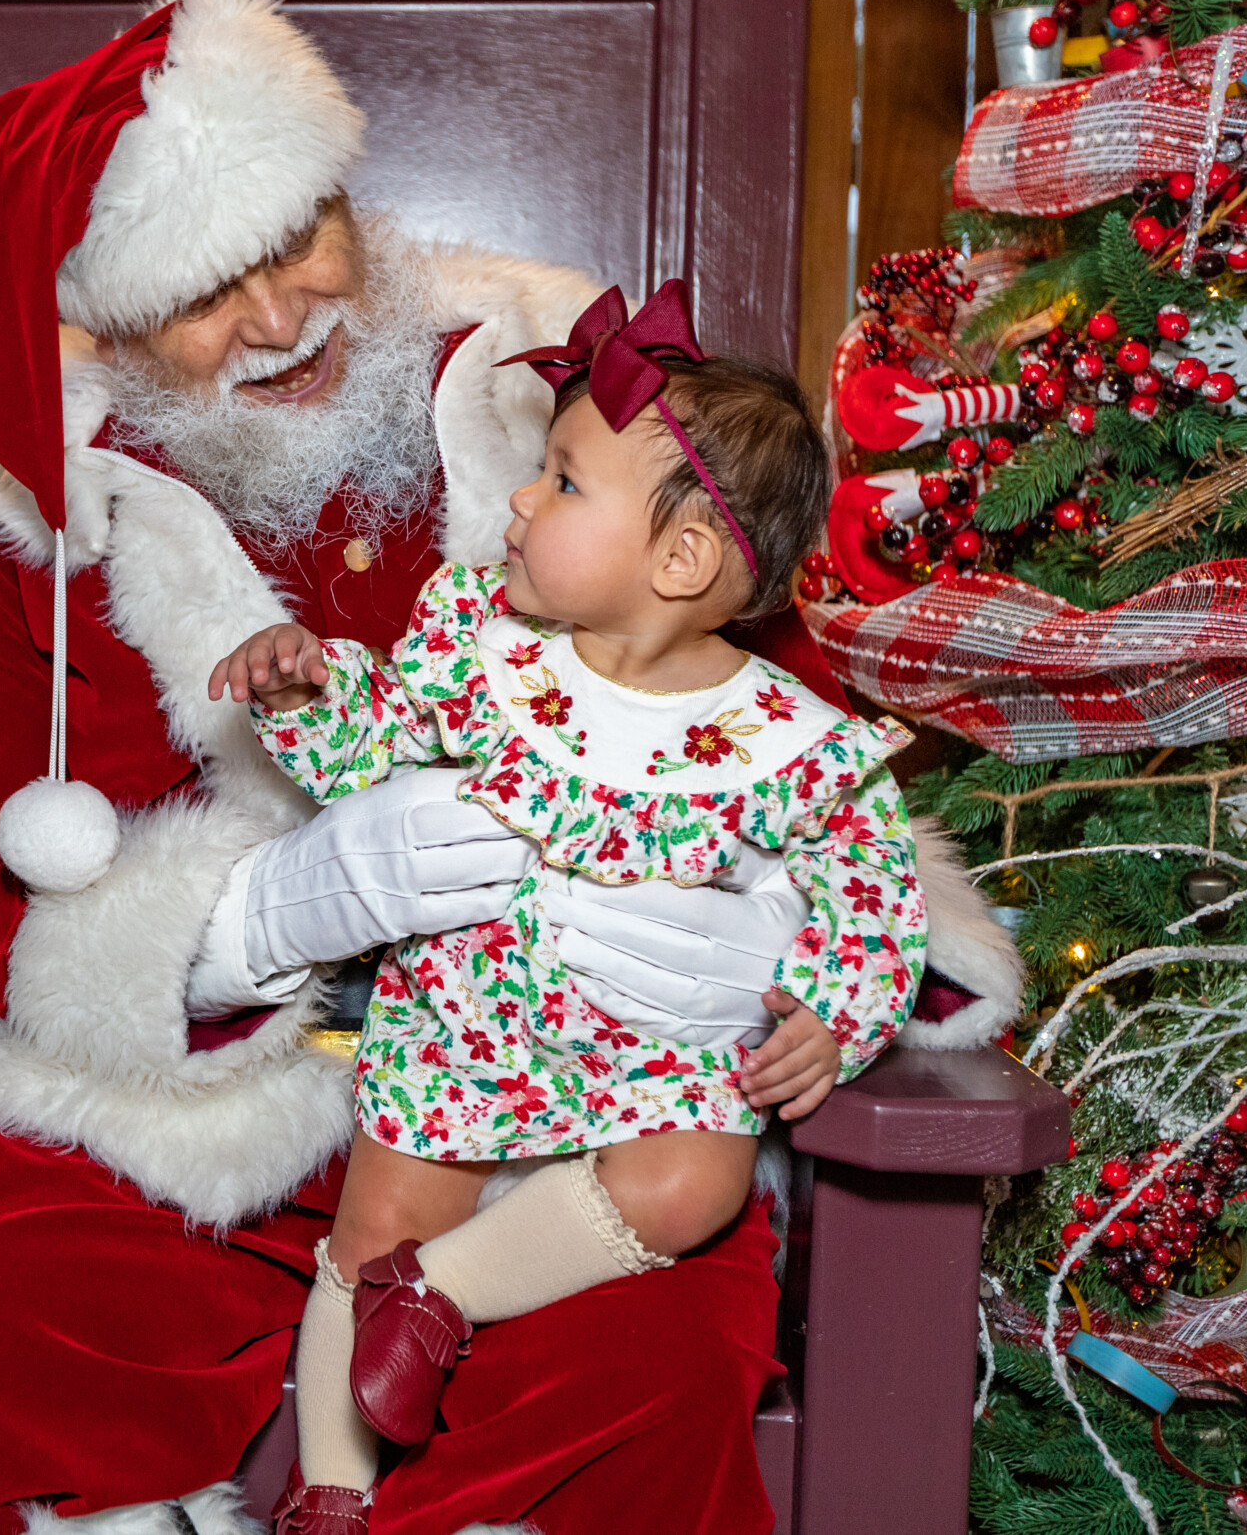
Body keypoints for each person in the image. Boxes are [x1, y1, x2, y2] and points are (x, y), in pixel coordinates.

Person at [0, 0, 1023, 1535]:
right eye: (205, 293)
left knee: (652, 1368)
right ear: (112, 326)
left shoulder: (566, 388)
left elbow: (783, 719)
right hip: (200, 1117)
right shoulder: (30, 515)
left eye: (298, 238)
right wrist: (264, 916)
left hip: (573, 1095)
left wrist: (770, 941)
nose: (280, 318)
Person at [211, 284, 928, 1530]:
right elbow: (368, 755)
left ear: (681, 560)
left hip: (651, 1055)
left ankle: (439, 1293)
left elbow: (872, 906)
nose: (518, 502)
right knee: (369, 1225)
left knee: (697, 1183)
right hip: (463, 1026)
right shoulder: (482, 645)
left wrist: (827, 1015)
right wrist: (306, 692)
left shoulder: (784, 738)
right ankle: (330, 1490)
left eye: (560, 482)